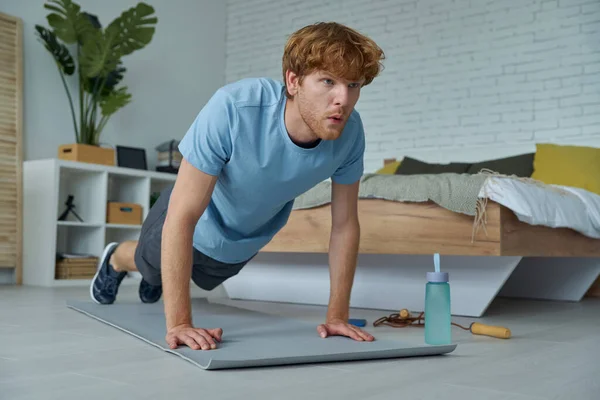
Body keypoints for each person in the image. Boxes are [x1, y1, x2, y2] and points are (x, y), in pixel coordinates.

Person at [90, 21, 385, 351]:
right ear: (293, 81)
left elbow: (345, 226)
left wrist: (337, 315)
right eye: (328, 81)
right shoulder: (235, 108)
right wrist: (180, 323)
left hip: (242, 240)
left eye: (354, 85)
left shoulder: (351, 135)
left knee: (201, 277)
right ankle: (117, 258)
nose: (342, 99)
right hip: (191, 218)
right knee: (152, 265)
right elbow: (182, 216)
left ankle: (158, 278)